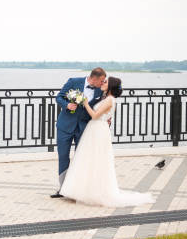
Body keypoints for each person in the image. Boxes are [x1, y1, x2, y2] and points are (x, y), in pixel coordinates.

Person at [59, 77, 155, 207]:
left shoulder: (110, 100)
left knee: (96, 160)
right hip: (94, 129)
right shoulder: (105, 97)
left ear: (110, 87)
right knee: (88, 160)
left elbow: (95, 115)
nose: (102, 83)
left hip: (98, 130)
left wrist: (85, 102)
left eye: (105, 82)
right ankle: (83, 190)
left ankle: (94, 192)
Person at [51, 67, 106, 198]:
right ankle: (63, 189)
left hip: (84, 128)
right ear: (93, 78)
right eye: (102, 80)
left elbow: (102, 107)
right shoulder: (73, 82)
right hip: (65, 126)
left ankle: (77, 189)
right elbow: (59, 97)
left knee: (80, 158)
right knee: (63, 156)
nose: (103, 83)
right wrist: (67, 105)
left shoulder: (101, 90)